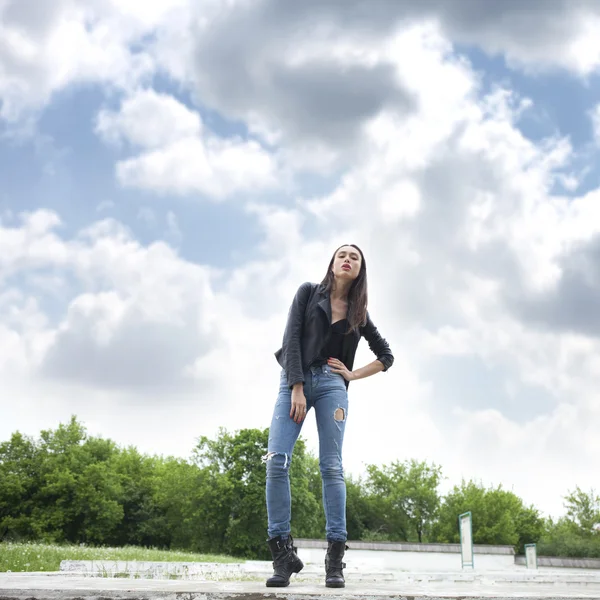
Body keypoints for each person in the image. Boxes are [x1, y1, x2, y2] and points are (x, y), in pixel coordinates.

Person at [264, 244, 394, 588]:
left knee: (331, 466)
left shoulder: (358, 314)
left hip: (333, 386)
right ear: (333, 264)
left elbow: (386, 355)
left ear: (359, 269)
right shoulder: (308, 293)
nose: (348, 259)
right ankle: (282, 555)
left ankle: (334, 559)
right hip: (295, 380)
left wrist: (351, 374)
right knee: (277, 460)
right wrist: (296, 387)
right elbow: (291, 339)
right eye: (342, 255)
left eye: (355, 257)